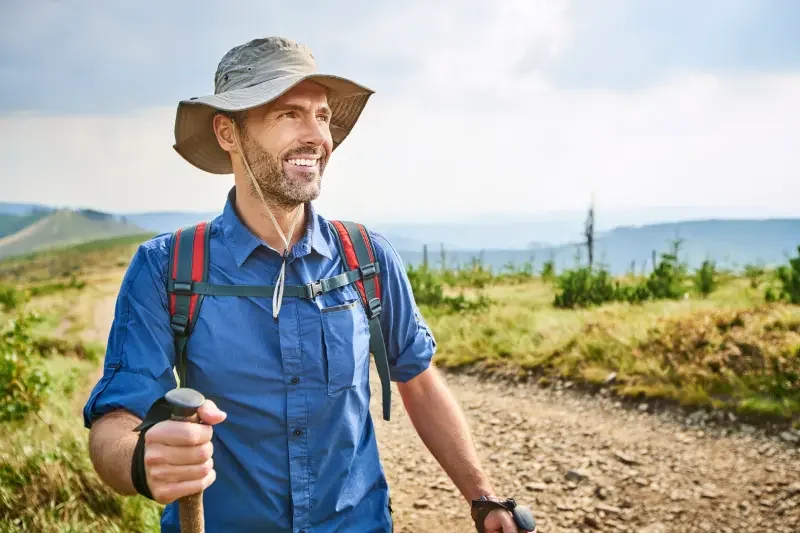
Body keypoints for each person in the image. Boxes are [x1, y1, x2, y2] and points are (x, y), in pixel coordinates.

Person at [83, 36, 534, 533]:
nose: (317, 135)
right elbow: (114, 423)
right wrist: (141, 458)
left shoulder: (368, 258)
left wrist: (482, 498)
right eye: (288, 114)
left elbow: (419, 381)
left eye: (321, 115)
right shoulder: (166, 268)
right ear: (228, 132)